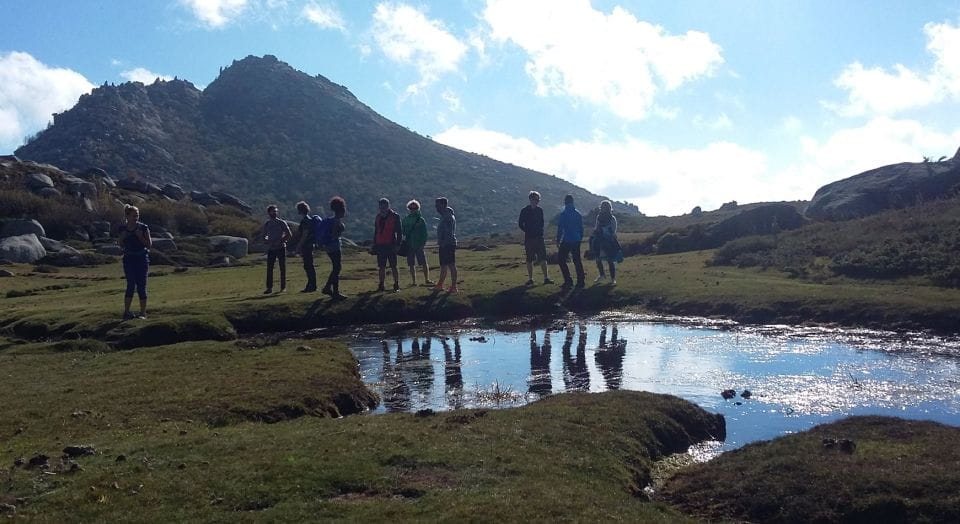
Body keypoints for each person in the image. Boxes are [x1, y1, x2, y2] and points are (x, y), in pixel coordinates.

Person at [117, 204, 152, 320]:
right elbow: (120, 245)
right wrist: (122, 238)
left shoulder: (143, 227)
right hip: (128, 259)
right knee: (130, 285)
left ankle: (142, 313)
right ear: (127, 216)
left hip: (141, 259)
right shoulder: (122, 228)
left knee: (141, 286)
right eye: (134, 215)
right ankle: (126, 312)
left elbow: (149, 245)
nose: (136, 217)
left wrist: (140, 237)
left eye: (137, 215)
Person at [518, 190, 552, 285]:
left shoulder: (540, 210)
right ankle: (530, 279)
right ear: (531, 199)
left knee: (543, 258)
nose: (537, 201)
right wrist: (527, 231)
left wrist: (540, 232)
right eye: (535, 199)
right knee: (529, 259)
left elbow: (542, 223)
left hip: (539, 237)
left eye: (538, 200)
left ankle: (546, 278)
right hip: (529, 238)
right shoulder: (524, 210)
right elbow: (520, 224)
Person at [555, 194, 585, 288]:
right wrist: (580, 238)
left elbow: (560, 228)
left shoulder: (563, 214)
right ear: (572, 202)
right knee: (577, 260)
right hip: (576, 239)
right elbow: (581, 228)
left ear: (565, 202)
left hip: (567, 239)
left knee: (561, 259)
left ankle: (568, 280)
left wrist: (558, 240)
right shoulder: (578, 214)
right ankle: (581, 281)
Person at [260, 205, 292, 294]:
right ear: (269, 212)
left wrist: (281, 241)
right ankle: (269, 288)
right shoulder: (267, 224)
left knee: (282, 268)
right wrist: (268, 241)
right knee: (269, 268)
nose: (275, 212)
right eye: (273, 211)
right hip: (271, 248)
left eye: (276, 211)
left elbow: (289, 234)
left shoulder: (281, 222)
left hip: (281, 247)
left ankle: (283, 287)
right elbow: (263, 236)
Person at [401, 199, 433, 287]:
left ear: (418, 208)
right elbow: (403, 232)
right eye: (411, 208)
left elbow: (425, 233)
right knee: (411, 264)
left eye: (414, 208)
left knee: (423, 262)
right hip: (410, 244)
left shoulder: (420, 220)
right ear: (409, 208)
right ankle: (414, 281)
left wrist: (422, 244)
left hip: (418, 245)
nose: (413, 209)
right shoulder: (406, 220)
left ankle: (427, 279)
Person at [591, 200, 624, 284]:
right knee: (598, 258)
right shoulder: (599, 217)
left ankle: (612, 278)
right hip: (600, 239)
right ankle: (602, 275)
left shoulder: (612, 218)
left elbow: (613, 231)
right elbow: (597, 227)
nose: (603, 209)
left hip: (609, 241)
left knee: (610, 259)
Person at [373, 198, 402, 292]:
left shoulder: (395, 216)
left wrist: (398, 244)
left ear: (388, 206)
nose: (382, 208)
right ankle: (381, 285)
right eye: (381, 206)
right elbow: (376, 231)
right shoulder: (378, 217)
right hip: (380, 245)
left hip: (391, 244)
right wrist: (374, 244)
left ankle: (396, 284)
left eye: (384, 206)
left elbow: (399, 231)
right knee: (381, 266)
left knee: (394, 265)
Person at [321, 196, 347, 300]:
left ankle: (329, 288)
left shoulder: (331, 220)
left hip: (328, 247)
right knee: (337, 268)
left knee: (336, 267)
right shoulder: (337, 221)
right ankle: (333, 290)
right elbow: (335, 234)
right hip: (334, 246)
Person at [434, 196, 458, 294]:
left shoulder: (448, 217)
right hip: (444, 244)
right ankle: (440, 285)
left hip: (448, 244)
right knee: (443, 265)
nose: (436, 208)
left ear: (443, 205)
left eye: (438, 206)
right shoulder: (444, 215)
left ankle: (453, 287)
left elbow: (448, 231)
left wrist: (444, 242)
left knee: (451, 264)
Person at [295, 201, 317, 292]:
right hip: (311, 244)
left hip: (306, 246)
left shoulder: (305, 221)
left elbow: (305, 234)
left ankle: (311, 285)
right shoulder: (310, 220)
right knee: (309, 265)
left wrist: (299, 246)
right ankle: (312, 284)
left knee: (308, 265)